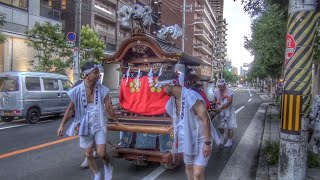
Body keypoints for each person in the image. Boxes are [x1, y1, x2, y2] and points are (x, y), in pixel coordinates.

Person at [57, 62, 118, 180]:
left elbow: (108, 106)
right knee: (88, 154)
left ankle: (108, 166)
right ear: (86, 75)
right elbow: (70, 110)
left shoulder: (103, 89)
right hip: (84, 125)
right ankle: (96, 174)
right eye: (95, 73)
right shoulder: (77, 91)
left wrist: (115, 120)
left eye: (98, 72)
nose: (98, 75)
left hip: (99, 124)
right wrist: (62, 125)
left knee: (101, 153)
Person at [157, 70, 212, 180]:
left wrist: (207, 143)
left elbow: (206, 119)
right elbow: (180, 118)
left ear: (168, 85)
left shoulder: (191, 96)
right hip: (187, 138)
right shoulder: (173, 100)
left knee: (197, 173)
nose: (163, 90)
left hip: (201, 139)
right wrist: (175, 125)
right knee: (188, 167)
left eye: (163, 86)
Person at [213, 79, 236, 148]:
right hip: (221, 112)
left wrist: (221, 108)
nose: (220, 88)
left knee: (230, 126)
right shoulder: (216, 92)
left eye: (222, 86)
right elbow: (215, 100)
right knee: (220, 126)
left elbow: (229, 102)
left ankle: (229, 141)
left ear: (225, 85)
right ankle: (223, 135)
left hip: (229, 111)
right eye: (219, 86)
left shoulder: (230, 91)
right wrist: (214, 106)